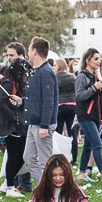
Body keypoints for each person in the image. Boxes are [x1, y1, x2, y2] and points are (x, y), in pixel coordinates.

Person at [22, 36, 59, 186]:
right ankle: (43, 189)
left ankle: (51, 194)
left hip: (42, 125)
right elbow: (36, 98)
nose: (28, 53)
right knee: (29, 158)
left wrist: (45, 125)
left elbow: (49, 101)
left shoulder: (46, 72)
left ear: (35, 51)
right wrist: (21, 101)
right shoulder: (36, 71)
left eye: (30, 49)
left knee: (45, 162)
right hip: (33, 123)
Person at [74, 48, 102, 183]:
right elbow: (79, 96)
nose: (98, 62)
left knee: (88, 145)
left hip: (96, 115)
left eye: (98, 59)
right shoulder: (82, 76)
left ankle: (81, 172)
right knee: (97, 144)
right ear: (87, 60)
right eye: (95, 59)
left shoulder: (96, 77)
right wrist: (94, 88)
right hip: (85, 115)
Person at [0, 57, 30, 198]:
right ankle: (10, 186)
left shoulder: (18, 84)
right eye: (24, 73)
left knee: (22, 156)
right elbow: (0, 103)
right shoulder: (8, 84)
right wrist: (13, 117)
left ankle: (8, 183)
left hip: (19, 125)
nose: (26, 76)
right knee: (14, 155)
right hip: (11, 126)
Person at [54, 58, 78, 165]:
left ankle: (58, 157)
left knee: (58, 133)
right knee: (72, 133)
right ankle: (74, 158)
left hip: (59, 106)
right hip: (72, 105)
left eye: (55, 65)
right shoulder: (72, 76)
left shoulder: (55, 78)